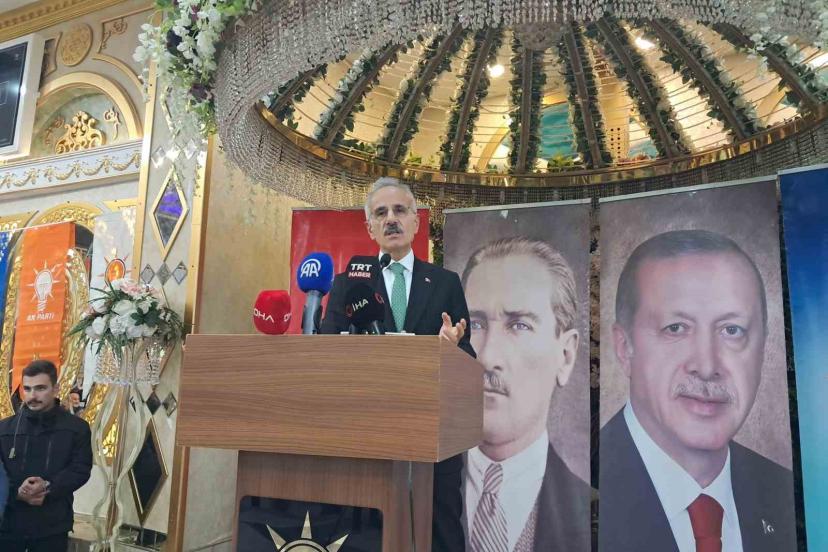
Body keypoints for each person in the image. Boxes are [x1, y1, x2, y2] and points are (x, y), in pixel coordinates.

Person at [600, 230, 796, 552]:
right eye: (676, 328)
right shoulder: (580, 492)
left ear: (764, 349)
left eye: (732, 330)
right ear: (624, 348)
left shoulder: (786, 492)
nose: (706, 366)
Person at [320, 177, 472, 551]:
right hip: (367, 432)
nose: (391, 219)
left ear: (416, 222)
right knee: (367, 534)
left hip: (432, 435)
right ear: (369, 227)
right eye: (381, 213)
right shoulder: (347, 284)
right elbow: (326, 353)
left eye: (400, 210)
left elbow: (469, 358)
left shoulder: (445, 283)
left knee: (440, 530)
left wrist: (450, 350)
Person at [460, 237, 590, 552]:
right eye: (475, 324)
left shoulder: (598, 518)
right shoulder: (413, 491)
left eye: (519, 325)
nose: (487, 357)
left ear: (566, 356)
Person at [0, 360, 93, 551]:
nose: (32, 396)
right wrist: (17, 492)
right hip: (9, 526)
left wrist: (48, 487)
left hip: (52, 526)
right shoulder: (4, 429)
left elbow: (80, 469)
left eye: (40, 388)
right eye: (27, 389)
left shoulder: (77, 428)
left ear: (56, 389)